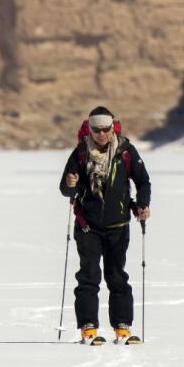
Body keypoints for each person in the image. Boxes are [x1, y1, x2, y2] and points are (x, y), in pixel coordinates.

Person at [60, 105, 151, 344]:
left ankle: (122, 327)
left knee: (117, 276)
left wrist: (142, 205)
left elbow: (143, 181)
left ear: (113, 127)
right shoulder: (80, 153)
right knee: (89, 276)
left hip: (118, 226)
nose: (101, 134)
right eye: (96, 129)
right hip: (88, 226)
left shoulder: (126, 151)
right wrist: (71, 183)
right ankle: (88, 327)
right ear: (89, 129)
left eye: (105, 129)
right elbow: (64, 189)